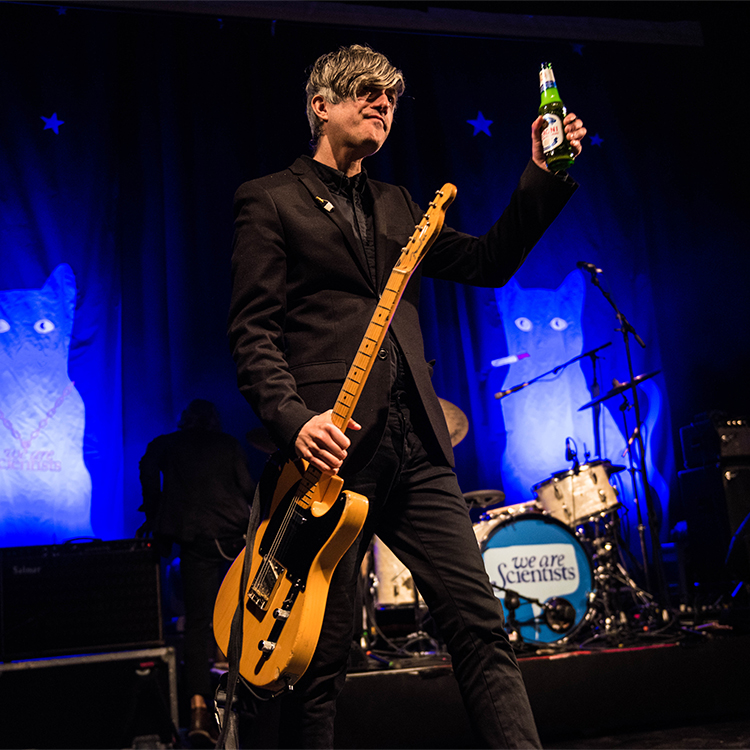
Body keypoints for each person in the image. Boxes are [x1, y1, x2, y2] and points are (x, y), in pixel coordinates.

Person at [227, 44, 586, 748]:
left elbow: (488, 262)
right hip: (330, 459)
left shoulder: (399, 205)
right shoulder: (269, 199)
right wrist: (295, 420)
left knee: (479, 625)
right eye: (364, 92)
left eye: (390, 98)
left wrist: (542, 176)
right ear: (320, 106)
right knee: (317, 660)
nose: (382, 105)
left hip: (417, 448)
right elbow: (252, 333)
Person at [138, 399, 254, 747]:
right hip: (233, 538)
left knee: (198, 623)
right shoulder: (229, 444)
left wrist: (155, 509)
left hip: (194, 537)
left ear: (184, 421)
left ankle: (199, 711)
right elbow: (248, 490)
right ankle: (252, 697)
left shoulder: (167, 443)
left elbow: (146, 465)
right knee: (243, 615)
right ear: (214, 421)